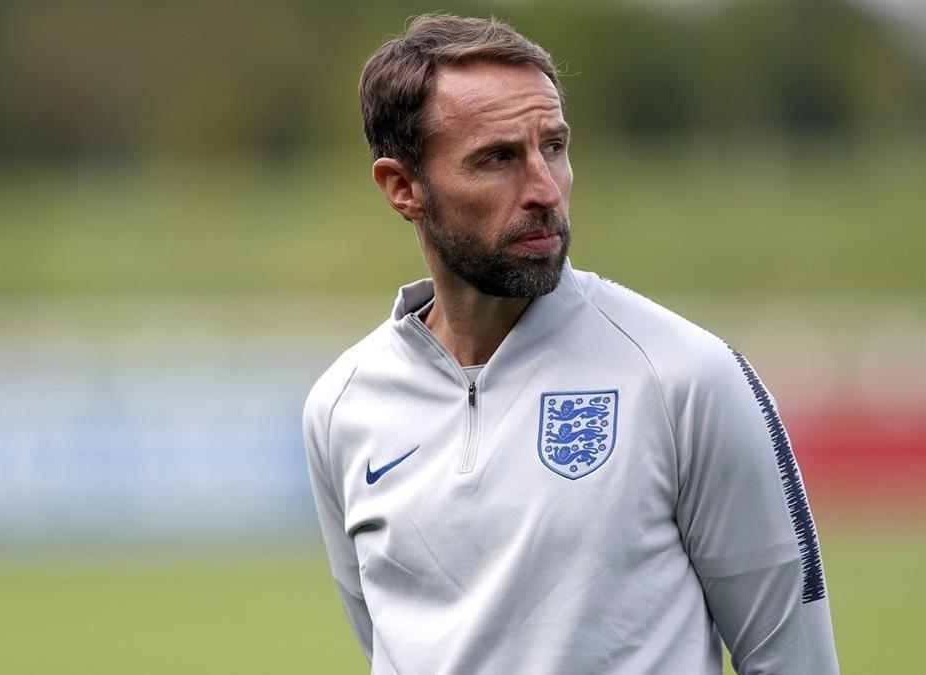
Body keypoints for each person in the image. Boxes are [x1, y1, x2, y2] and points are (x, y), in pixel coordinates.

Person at [302, 14, 839, 675]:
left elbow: (794, 659)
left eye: (553, 147)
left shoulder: (685, 375)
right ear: (403, 188)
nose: (545, 189)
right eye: (498, 158)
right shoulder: (341, 405)